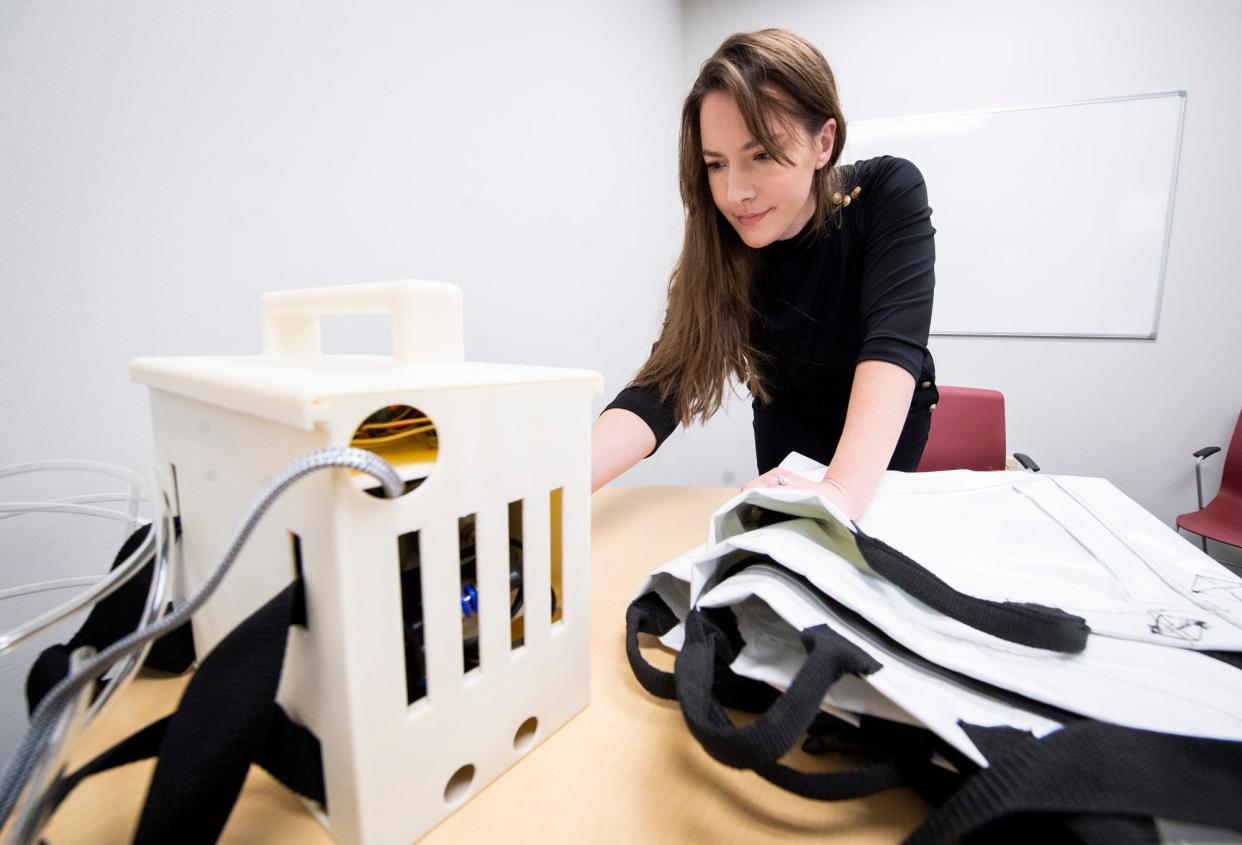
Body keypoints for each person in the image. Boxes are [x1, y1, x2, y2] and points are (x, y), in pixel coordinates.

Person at [592, 28, 938, 520]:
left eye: (761, 154)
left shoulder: (885, 192)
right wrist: (554, 482)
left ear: (824, 141)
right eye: (716, 164)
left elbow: (893, 347)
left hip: (881, 432)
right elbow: (662, 387)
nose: (735, 193)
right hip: (786, 420)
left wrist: (840, 489)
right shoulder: (722, 242)